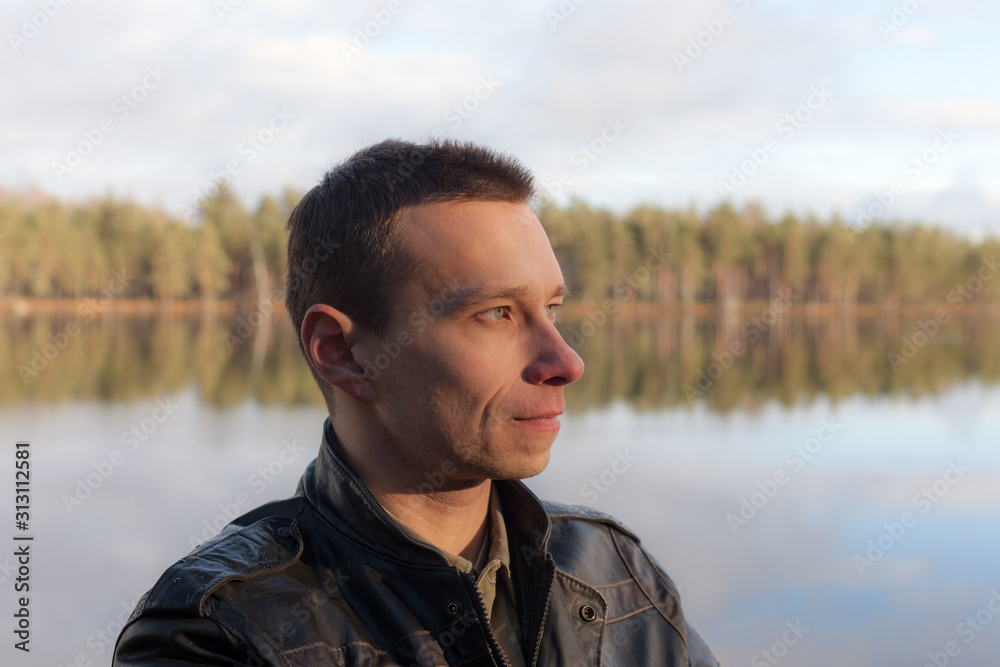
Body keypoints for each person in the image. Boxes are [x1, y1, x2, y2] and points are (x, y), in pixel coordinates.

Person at [113, 139, 719, 666]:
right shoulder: (218, 632)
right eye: (497, 313)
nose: (567, 362)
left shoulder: (614, 570)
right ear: (343, 353)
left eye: (552, 309)